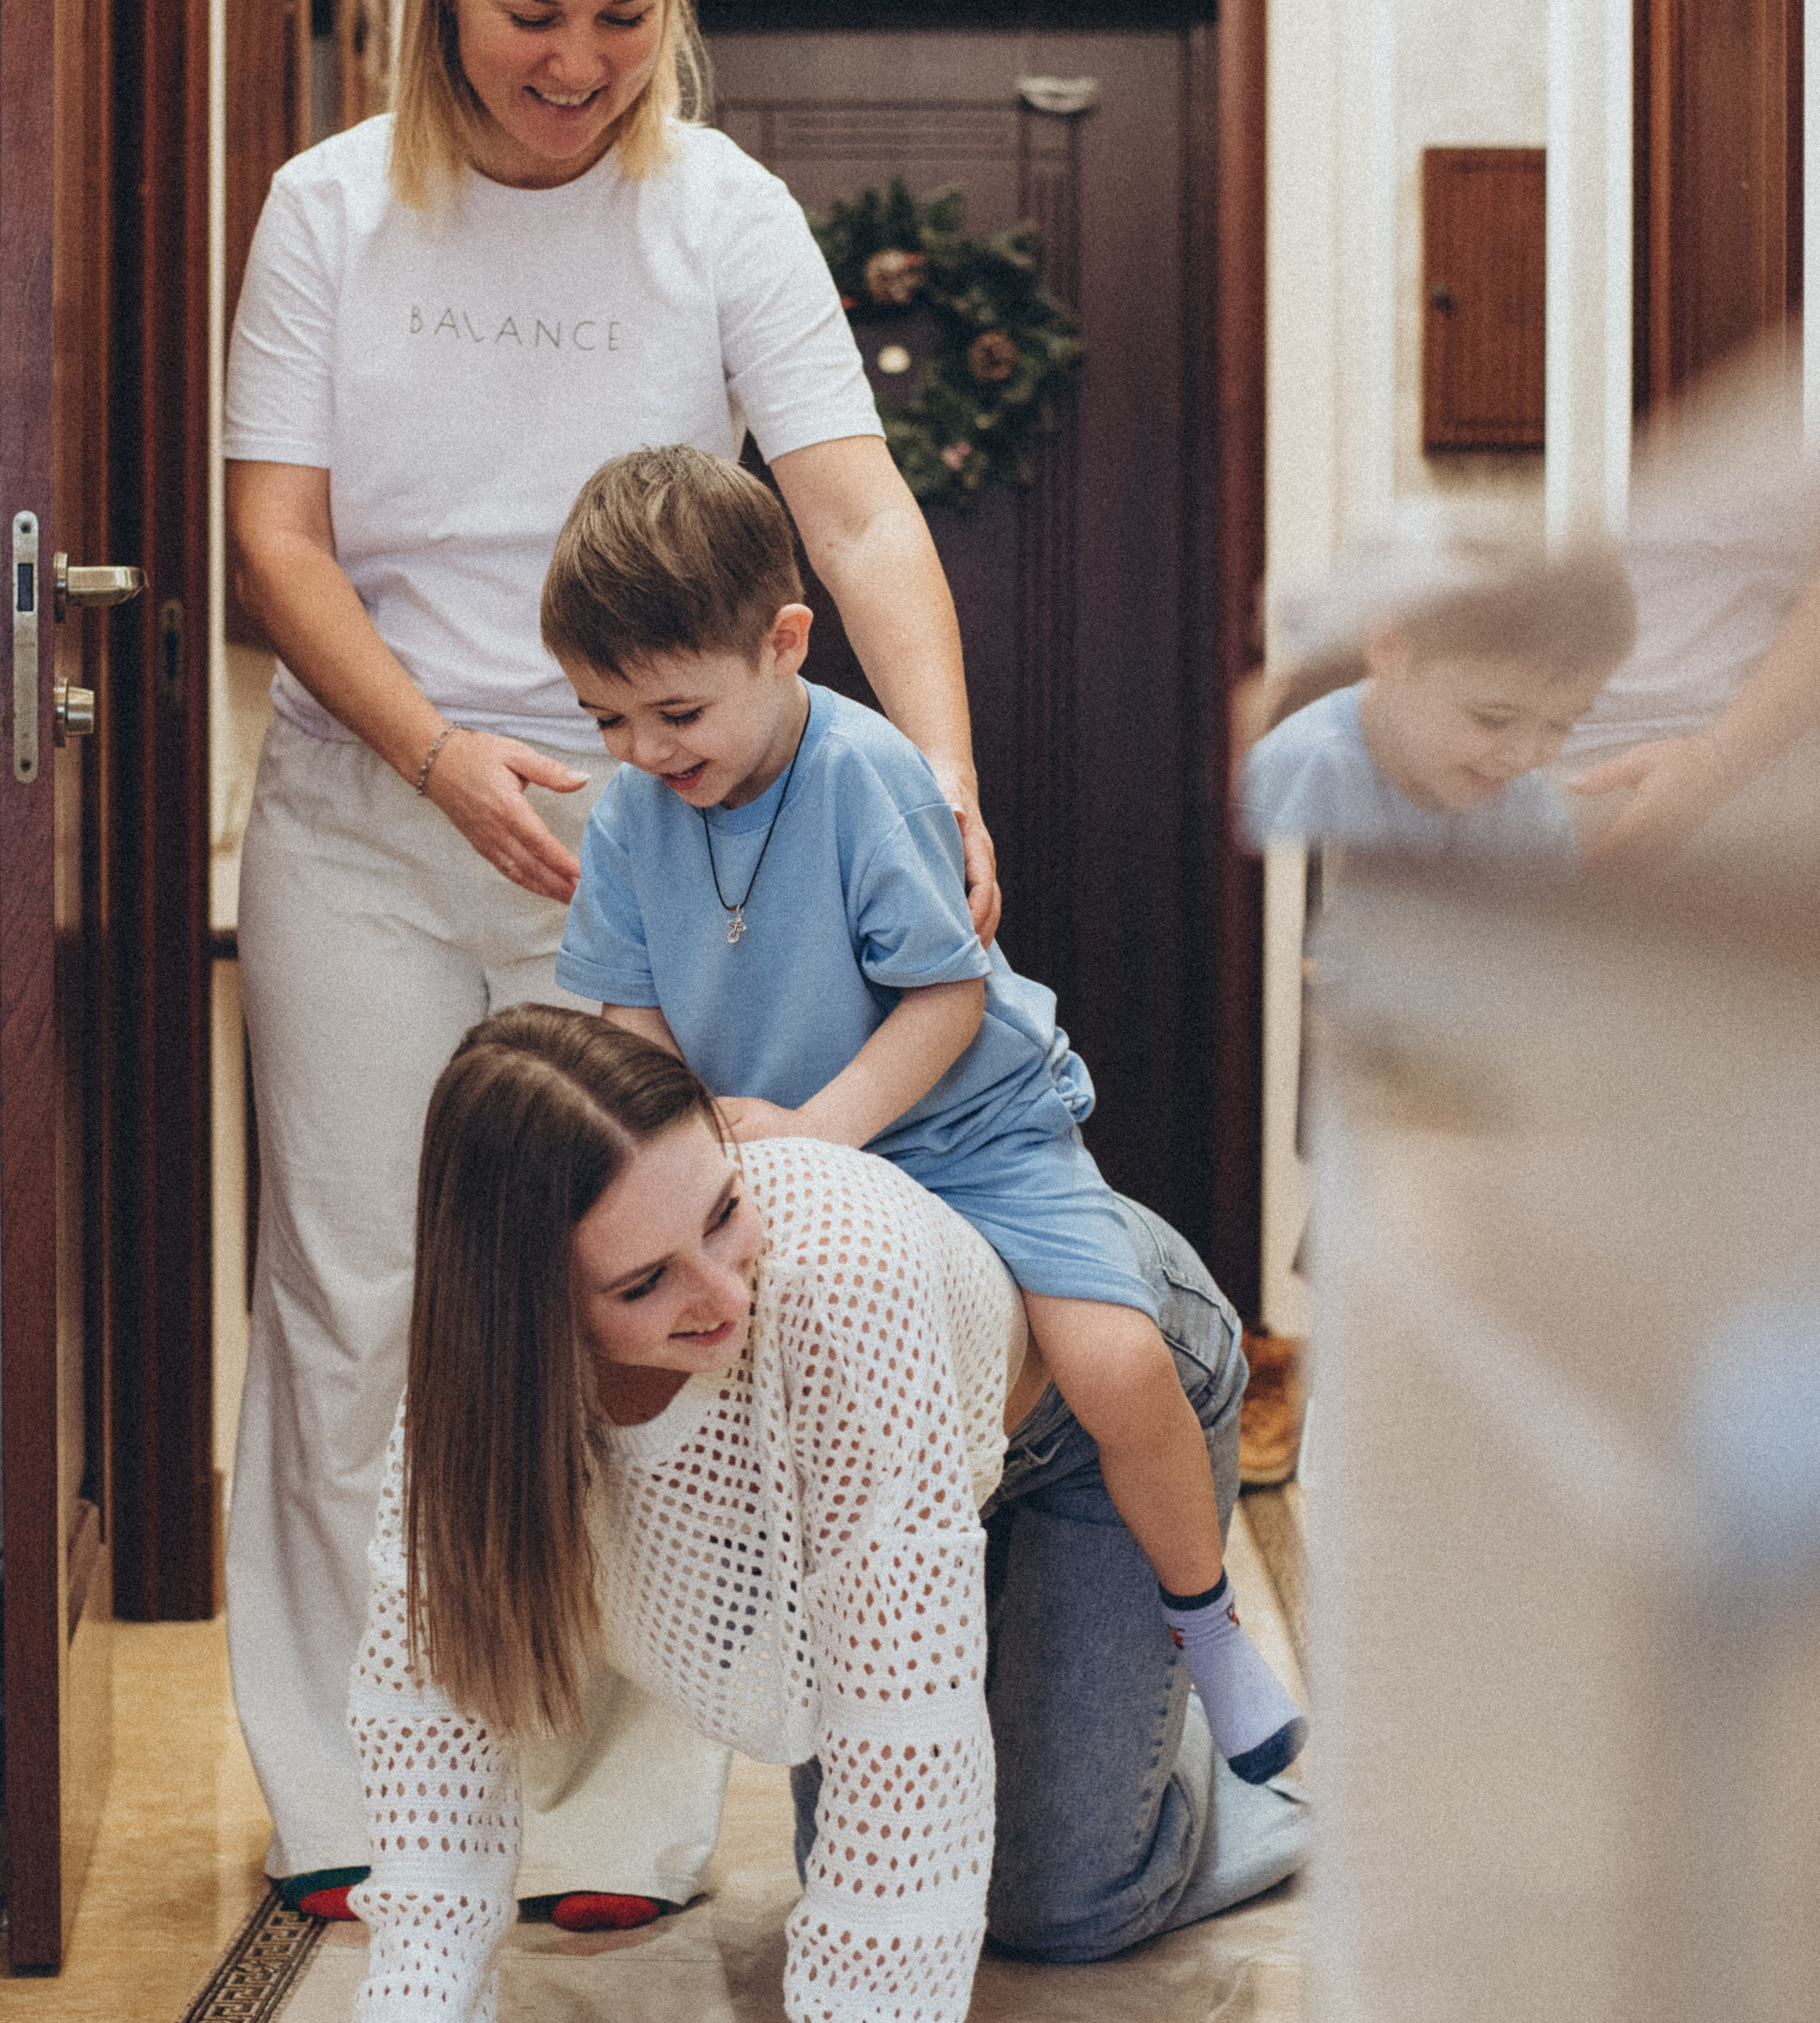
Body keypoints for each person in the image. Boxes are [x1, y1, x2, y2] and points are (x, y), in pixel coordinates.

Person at [223, 0, 1000, 1922]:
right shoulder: (329, 210)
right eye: (527, 15)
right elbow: (276, 535)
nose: (573, 63)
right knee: (363, 1307)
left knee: (646, 1305)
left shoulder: (723, 213)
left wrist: (934, 768)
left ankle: (615, 1816)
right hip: (372, 822)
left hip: (666, 847)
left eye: (624, 18)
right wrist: (442, 749)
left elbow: (851, 510)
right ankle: (359, 1791)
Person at [204, 1010, 1308, 2023]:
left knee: (1055, 1901)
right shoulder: (475, 1395)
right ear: (530, 1317)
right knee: (855, 1853)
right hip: (902, 1453)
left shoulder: (833, 1273)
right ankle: (1078, 1695)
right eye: (644, 1282)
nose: (725, 1290)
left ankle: (1230, 1758)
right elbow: (431, 1696)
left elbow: (902, 1709)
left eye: (725, 1211)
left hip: (1090, 1403)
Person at [539, 447, 1304, 1786]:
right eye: (607, 720)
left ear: (785, 645)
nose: (646, 753)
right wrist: (686, 1160)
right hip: (774, 1155)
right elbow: (629, 1026)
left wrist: (820, 1132)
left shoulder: (865, 772)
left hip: (967, 1136)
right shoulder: (629, 820)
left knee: (1115, 1362)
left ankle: (1207, 1621)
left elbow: (945, 1003)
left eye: (673, 712)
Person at [1239, 542, 1635, 862]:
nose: (1526, 756)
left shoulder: (1532, 816)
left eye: (1560, 725)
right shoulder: (1299, 770)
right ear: (1391, 652)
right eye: (1492, 720)